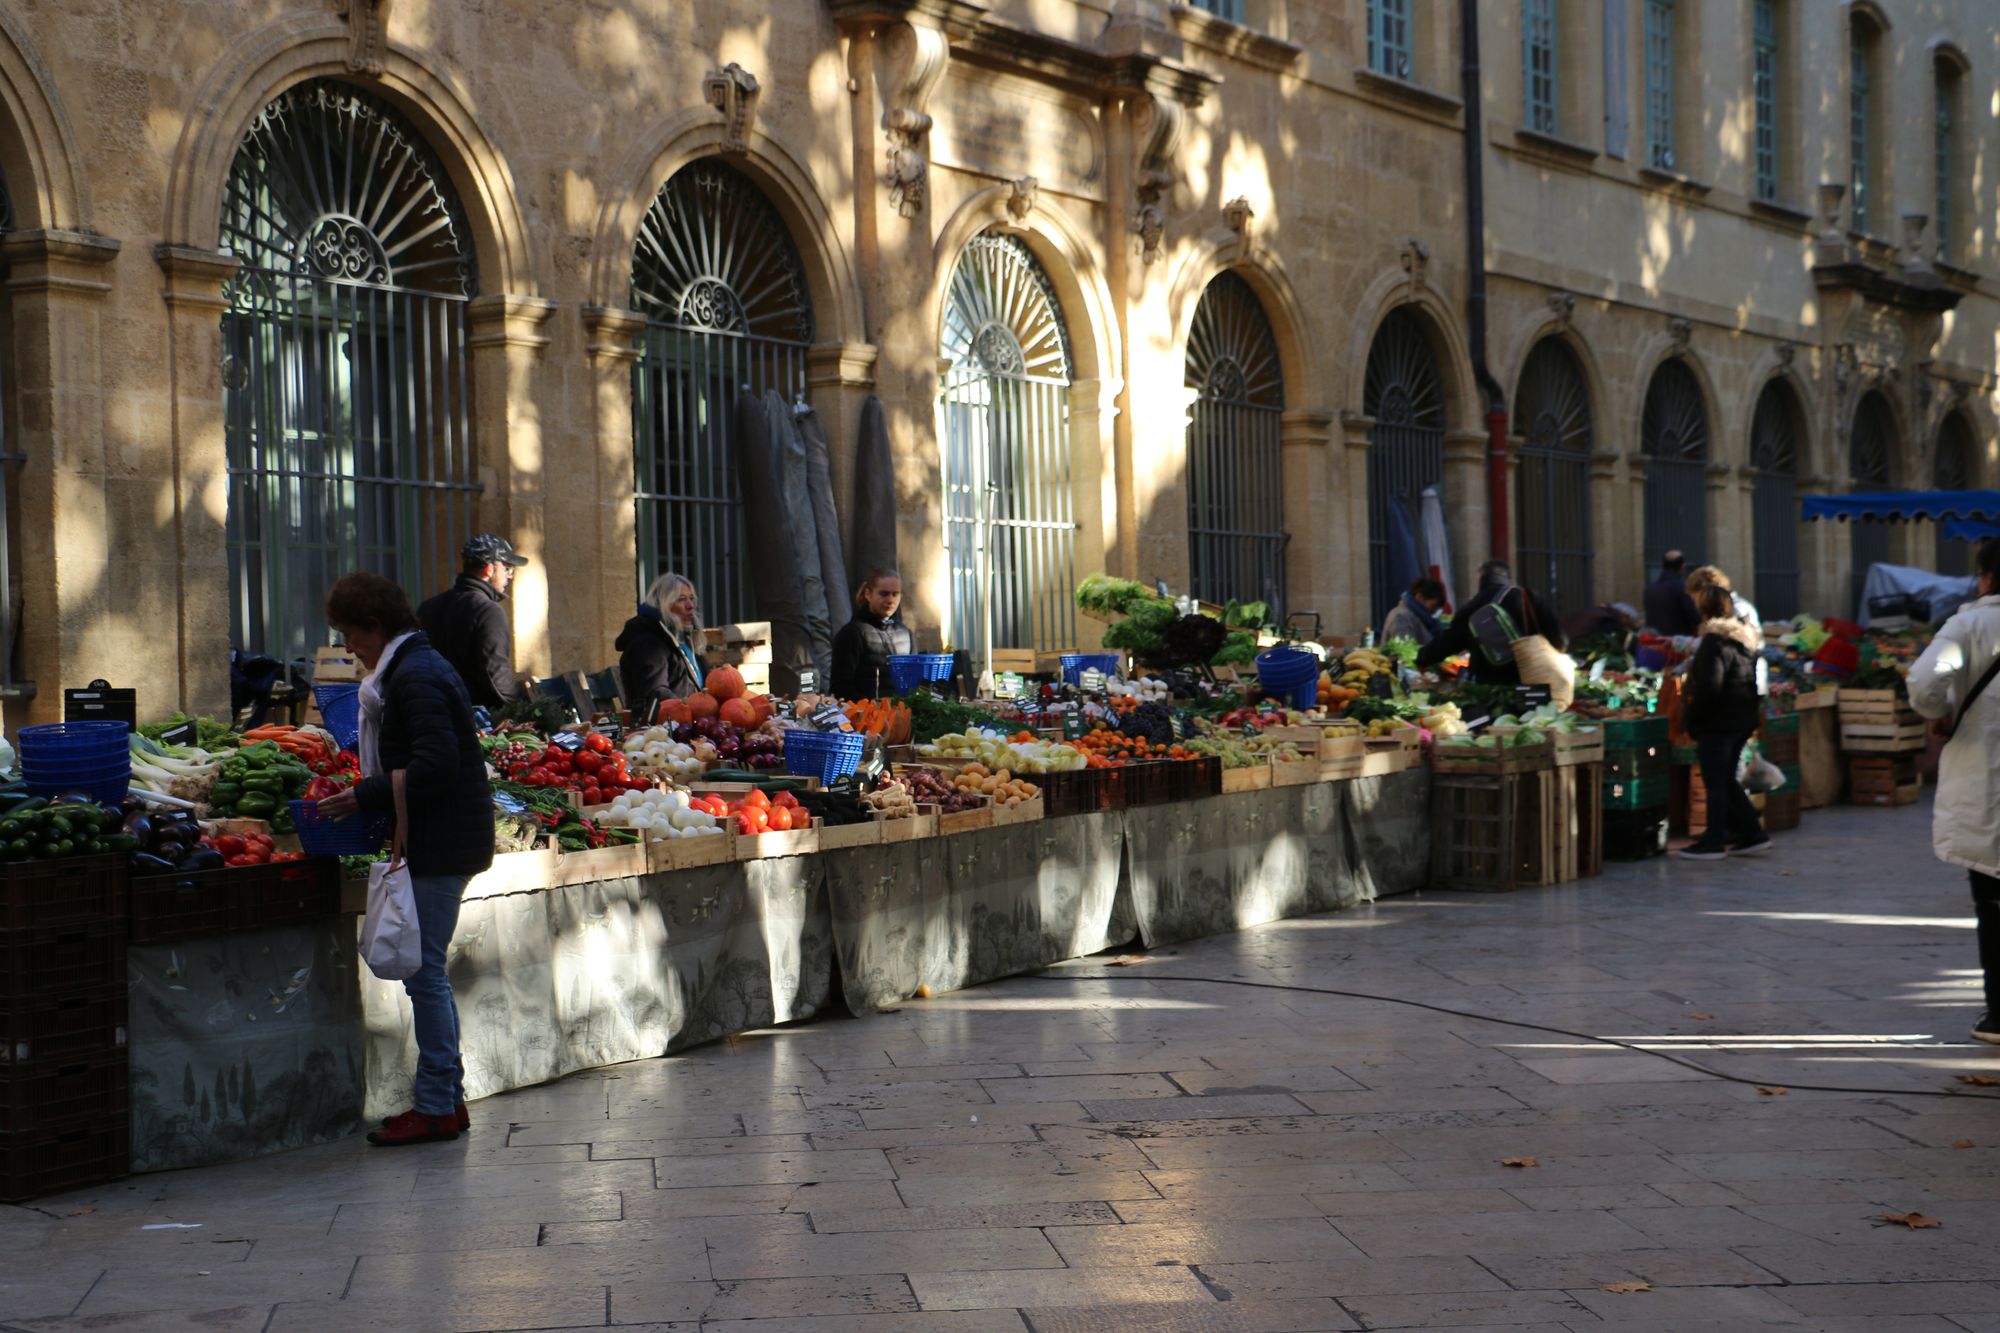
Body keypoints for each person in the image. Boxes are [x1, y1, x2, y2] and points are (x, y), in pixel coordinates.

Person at [315, 573, 493, 1145]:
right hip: (443, 838)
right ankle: (448, 1100)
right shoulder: (413, 667)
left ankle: (438, 1104)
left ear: (375, 625)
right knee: (427, 973)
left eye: (350, 634)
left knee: (424, 975)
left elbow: (435, 766)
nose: (348, 648)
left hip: (441, 843)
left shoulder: (414, 675)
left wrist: (364, 794)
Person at [1907, 537, 2000, 1043]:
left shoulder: (1968, 624)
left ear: (1986, 576)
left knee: (1993, 899)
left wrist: (1940, 713)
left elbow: (1924, 682)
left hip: (1986, 778)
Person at [1675, 584, 1770, 861]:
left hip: (1719, 722)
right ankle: (1752, 832)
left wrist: (1693, 719)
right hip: (1741, 719)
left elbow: (1710, 687)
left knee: (1715, 781)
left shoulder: (1714, 642)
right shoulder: (1743, 641)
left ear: (1703, 609)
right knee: (1726, 779)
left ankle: (1713, 841)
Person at [418, 534, 528, 711]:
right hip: (475, 718)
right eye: (507, 568)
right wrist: (524, 709)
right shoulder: (488, 611)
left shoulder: (428, 607)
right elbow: (496, 676)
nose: (510, 576)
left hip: (433, 709)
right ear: (489, 569)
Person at [1415, 560, 1563, 686]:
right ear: (1508, 578)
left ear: (1481, 578)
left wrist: (1422, 658)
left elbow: (1448, 642)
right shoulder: (1530, 598)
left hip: (1491, 685)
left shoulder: (1472, 607)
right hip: (1534, 679)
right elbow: (1560, 640)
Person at [616, 572, 708, 721]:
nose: (690, 606)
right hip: (662, 731)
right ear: (663, 604)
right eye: (681, 599)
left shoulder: (686, 638)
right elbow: (656, 693)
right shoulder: (647, 643)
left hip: (693, 725)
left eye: (691, 599)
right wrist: (689, 710)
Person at [830, 568, 916, 700]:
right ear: (868, 594)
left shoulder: (906, 634)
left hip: (902, 713)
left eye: (895, 594)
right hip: (866, 716)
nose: (890, 600)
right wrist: (872, 707)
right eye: (884, 594)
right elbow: (840, 687)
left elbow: (913, 681)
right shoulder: (852, 633)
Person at [1644, 549, 1700, 637]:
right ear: (1682, 566)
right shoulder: (1683, 588)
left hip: (1655, 641)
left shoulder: (1650, 589)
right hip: (1677, 642)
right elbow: (1694, 616)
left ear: (1662, 565)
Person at [1380, 578, 1446, 647]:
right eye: (1433, 606)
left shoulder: (1421, 619)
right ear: (1420, 597)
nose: (1434, 611)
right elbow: (1404, 651)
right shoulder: (1401, 617)